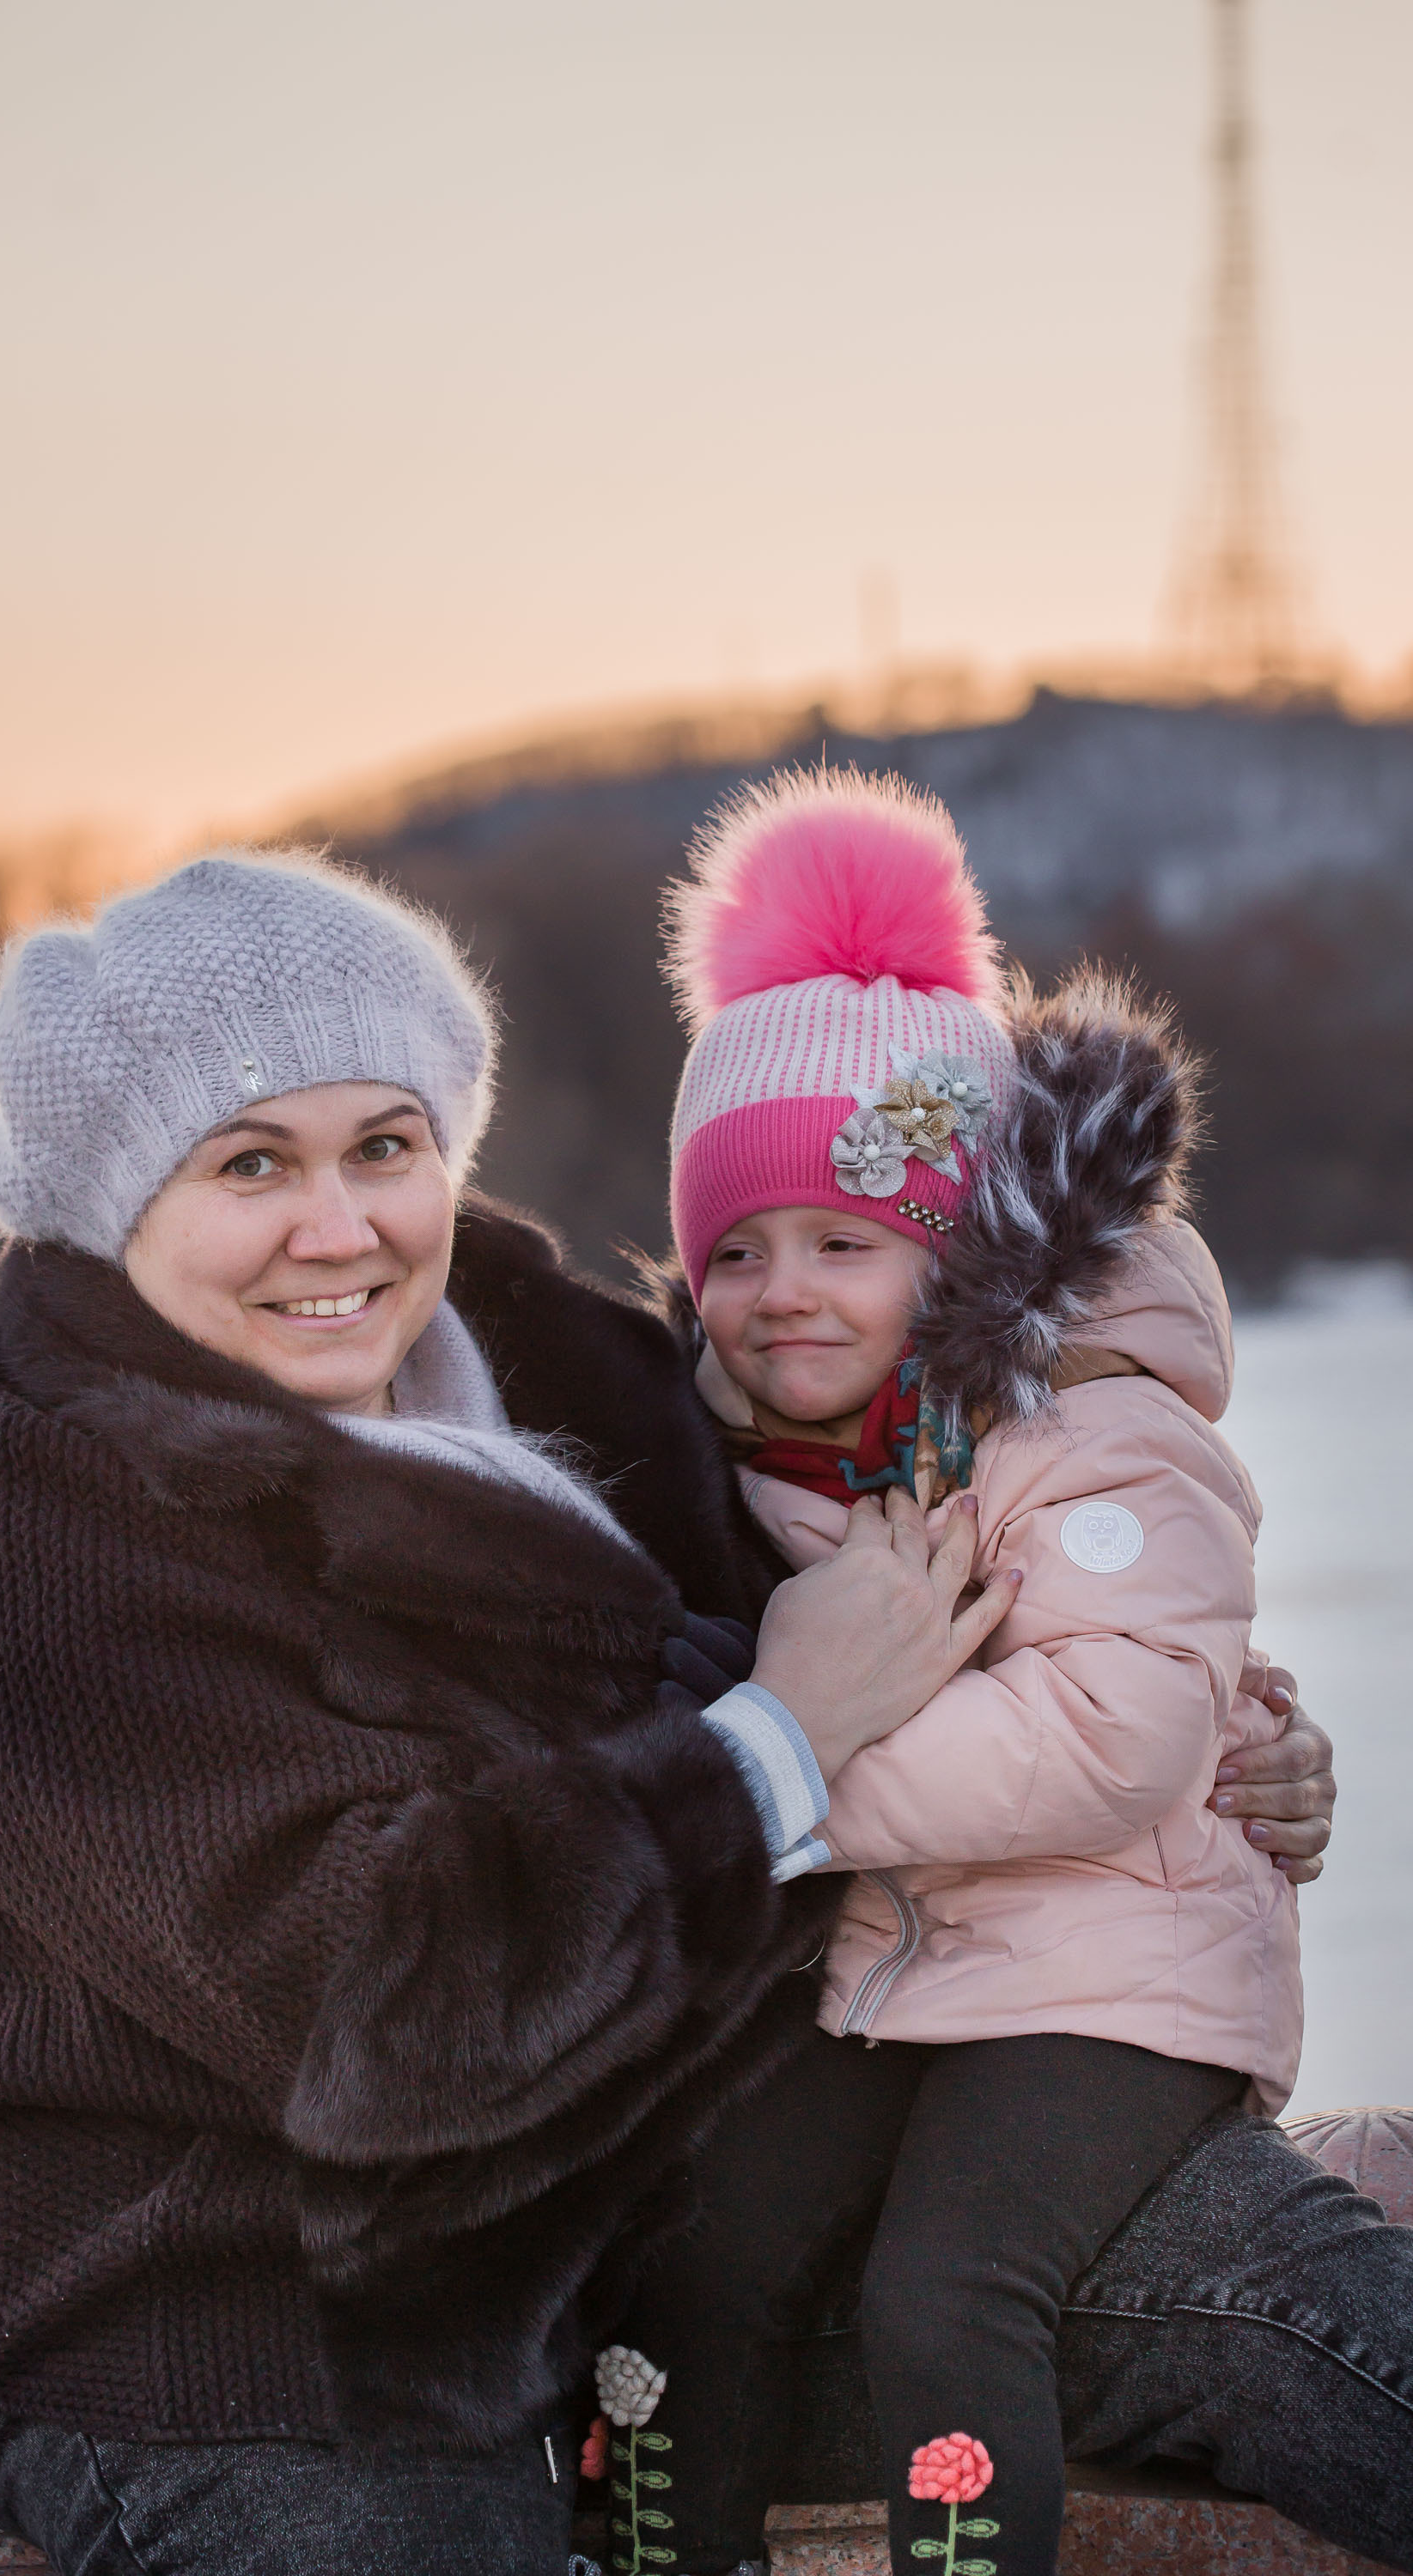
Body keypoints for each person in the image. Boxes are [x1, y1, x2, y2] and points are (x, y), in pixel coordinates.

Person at [0, 848, 1014, 2576]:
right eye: (250, 1163)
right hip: (200, 2293)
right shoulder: (52, 1513)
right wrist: (772, 1747)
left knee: (1220, 2289)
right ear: (114, 1203)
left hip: (606, 2208)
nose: (339, 1228)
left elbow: (872, 1583)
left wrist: (1184, 1741)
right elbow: (372, 2006)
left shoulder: (549, 1368)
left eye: (384, 1145)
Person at [600, 766, 1410, 2576]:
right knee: (707, 2248)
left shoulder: (1095, 1428)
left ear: (958, 1254)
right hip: (909, 1975)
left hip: (1119, 1985)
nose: (783, 1291)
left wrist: (779, 1781)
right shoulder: (747, 1451)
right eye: (738, 1250)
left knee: (950, 2292)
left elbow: (1118, 1731)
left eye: (844, 1243)